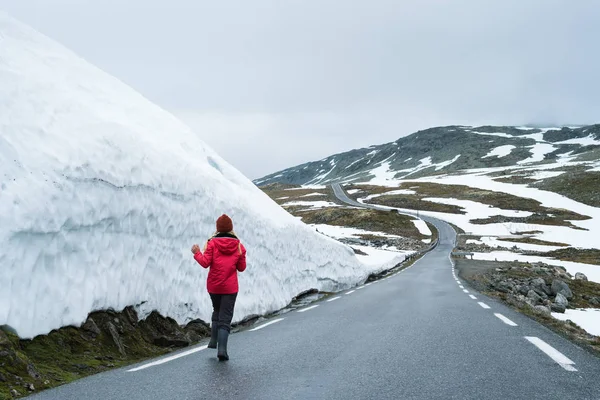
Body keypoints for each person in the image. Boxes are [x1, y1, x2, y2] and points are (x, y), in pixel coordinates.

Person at [191, 214, 246, 361]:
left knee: (217, 310)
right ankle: (222, 350)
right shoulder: (239, 246)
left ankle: (213, 340)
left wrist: (197, 253)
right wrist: (241, 256)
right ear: (231, 228)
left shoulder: (211, 244)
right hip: (230, 288)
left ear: (218, 228)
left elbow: (205, 263)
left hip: (214, 287)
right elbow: (241, 268)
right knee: (225, 318)